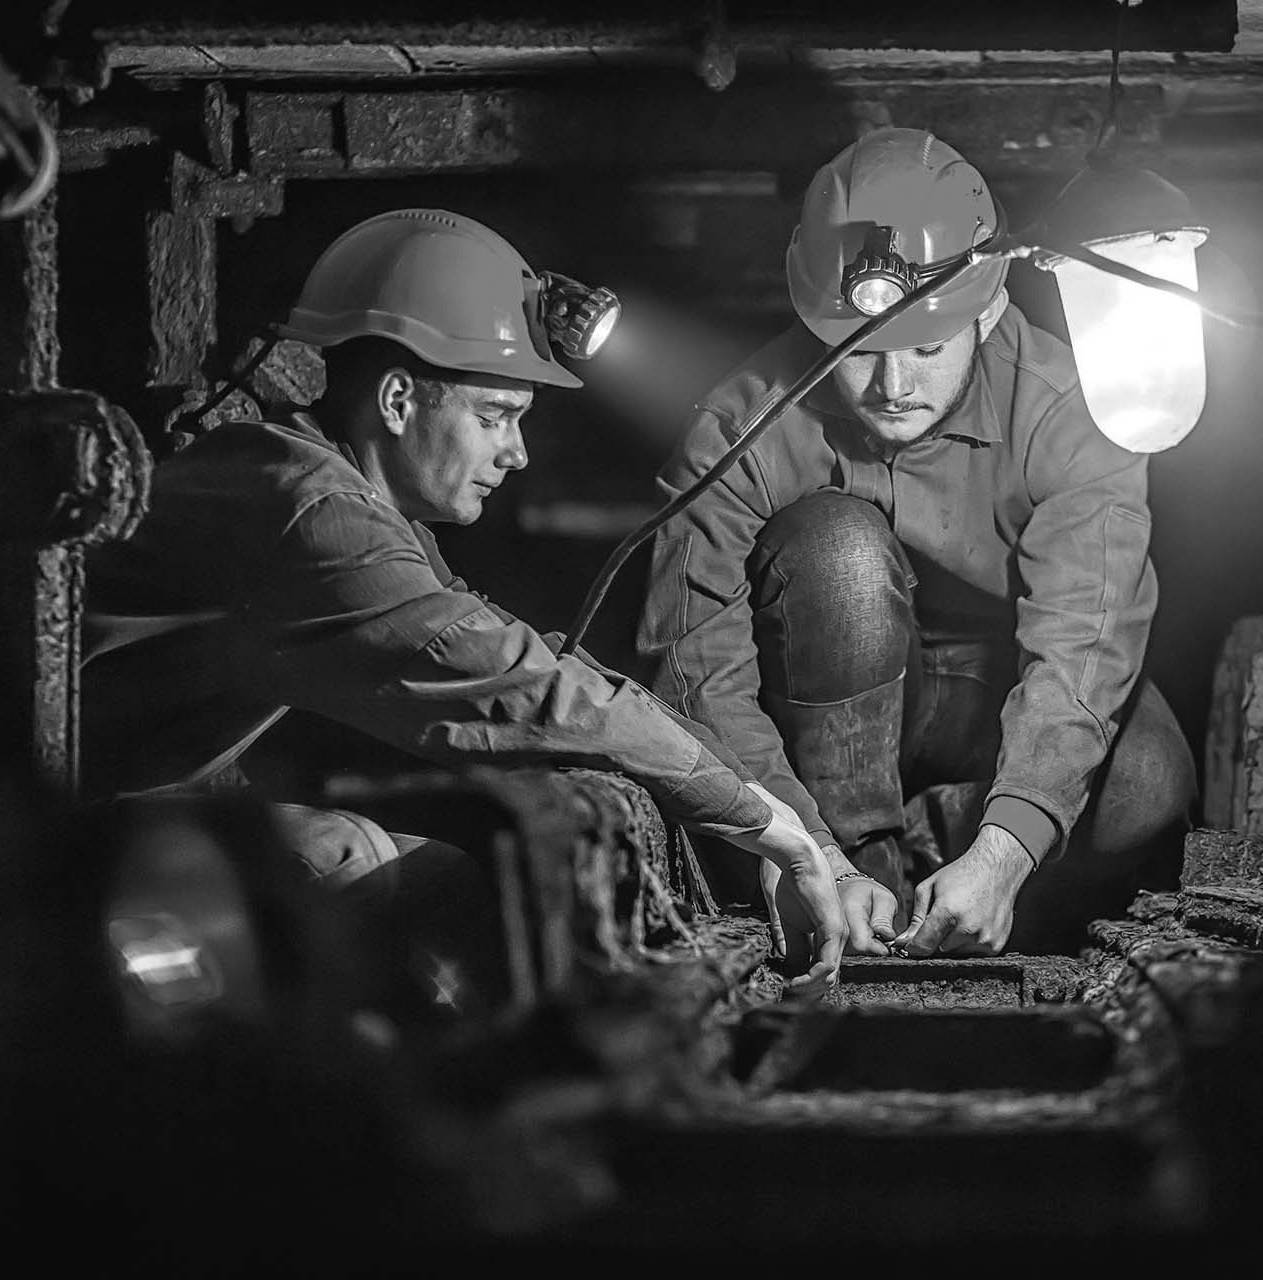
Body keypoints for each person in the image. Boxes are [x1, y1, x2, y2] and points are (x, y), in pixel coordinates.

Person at [78, 209, 847, 986]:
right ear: (398, 401)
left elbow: (532, 656)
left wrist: (755, 806)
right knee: (355, 865)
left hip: (145, 796)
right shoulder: (317, 517)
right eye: (495, 417)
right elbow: (524, 690)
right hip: (26, 818)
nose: (515, 453)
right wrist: (762, 825)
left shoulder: (340, 499)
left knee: (444, 884)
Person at [637, 128, 1197, 957]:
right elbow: (694, 663)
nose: (891, 388)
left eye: (926, 348)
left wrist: (1007, 848)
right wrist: (805, 850)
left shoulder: (1073, 411)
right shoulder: (741, 424)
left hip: (996, 686)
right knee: (841, 553)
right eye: (859, 352)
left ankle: (958, 860)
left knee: (1148, 781)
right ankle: (863, 882)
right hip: (821, 703)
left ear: (990, 306)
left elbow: (1088, 639)